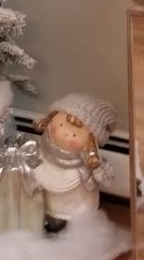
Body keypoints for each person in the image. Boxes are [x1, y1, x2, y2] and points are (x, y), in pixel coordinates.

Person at [32, 93, 115, 233]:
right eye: (61, 124)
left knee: (76, 230)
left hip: (77, 209)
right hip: (49, 204)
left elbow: (105, 179)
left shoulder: (86, 162)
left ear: (91, 141)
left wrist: (97, 168)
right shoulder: (43, 150)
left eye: (74, 134)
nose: (65, 133)